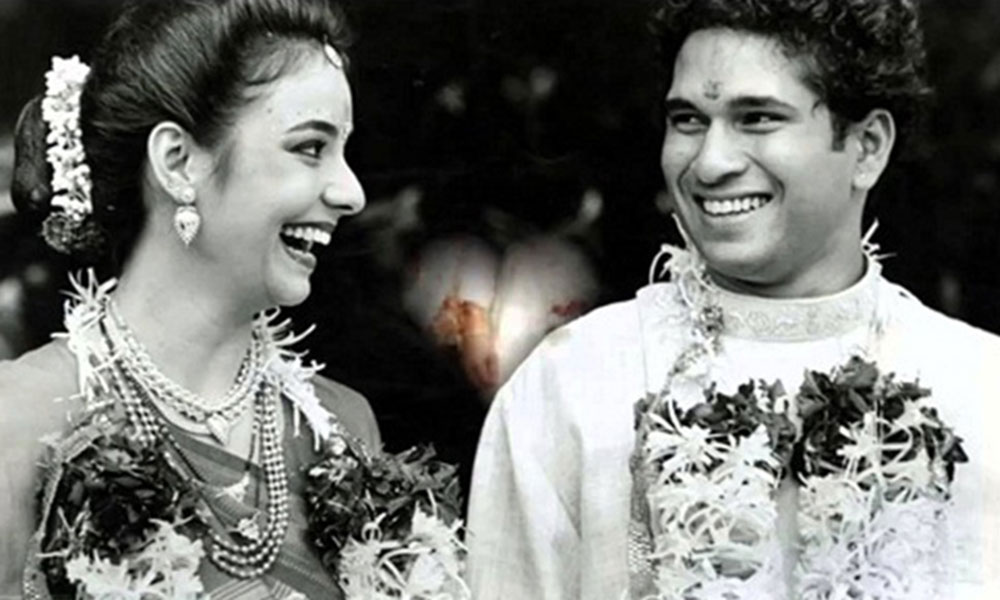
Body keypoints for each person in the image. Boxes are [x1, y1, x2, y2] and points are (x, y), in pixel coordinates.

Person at [467, 1, 1000, 599]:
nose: (710, 163)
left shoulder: (981, 389)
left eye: (758, 118)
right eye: (688, 120)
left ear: (867, 147)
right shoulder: (572, 383)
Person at [0, 1, 380, 597]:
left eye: (343, 151)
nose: (351, 192)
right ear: (178, 162)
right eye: (310, 147)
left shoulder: (340, 429)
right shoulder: (18, 423)